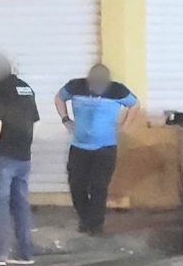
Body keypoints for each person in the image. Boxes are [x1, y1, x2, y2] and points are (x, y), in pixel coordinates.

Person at [55, 64, 140, 235]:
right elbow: (59, 98)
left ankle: (95, 225)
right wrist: (65, 119)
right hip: (79, 147)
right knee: (77, 185)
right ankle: (85, 218)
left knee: (99, 187)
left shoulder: (117, 90)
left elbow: (135, 104)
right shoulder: (75, 86)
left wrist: (125, 126)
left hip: (105, 148)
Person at [0, 55, 40, 266]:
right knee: (21, 204)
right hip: (23, 156)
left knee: (0, 205)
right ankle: (26, 253)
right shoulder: (26, 88)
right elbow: (33, 122)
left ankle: (1, 255)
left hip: (2, 157)